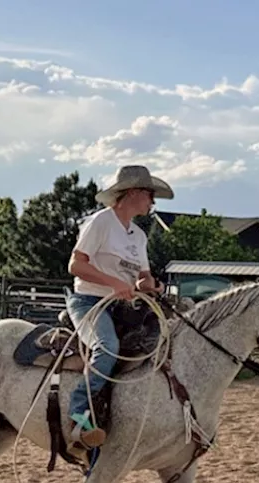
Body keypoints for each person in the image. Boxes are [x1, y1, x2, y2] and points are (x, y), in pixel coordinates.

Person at [64, 165, 172, 447]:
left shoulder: (139, 236)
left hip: (123, 307)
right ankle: (79, 415)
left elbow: (142, 278)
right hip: (89, 301)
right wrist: (113, 283)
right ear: (134, 193)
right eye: (150, 195)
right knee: (107, 347)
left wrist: (150, 285)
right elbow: (76, 265)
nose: (153, 202)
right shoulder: (101, 222)